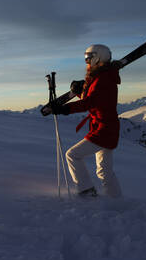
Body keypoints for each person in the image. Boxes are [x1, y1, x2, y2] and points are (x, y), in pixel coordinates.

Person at [51, 44, 122, 198]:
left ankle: (87, 192)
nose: (87, 62)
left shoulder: (103, 80)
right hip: (106, 128)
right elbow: (93, 100)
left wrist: (65, 109)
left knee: (72, 155)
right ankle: (116, 202)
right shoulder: (102, 77)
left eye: (88, 58)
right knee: (104, 171)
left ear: (98, 57)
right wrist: (80, 91)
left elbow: (89, 103)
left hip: (104, 129)